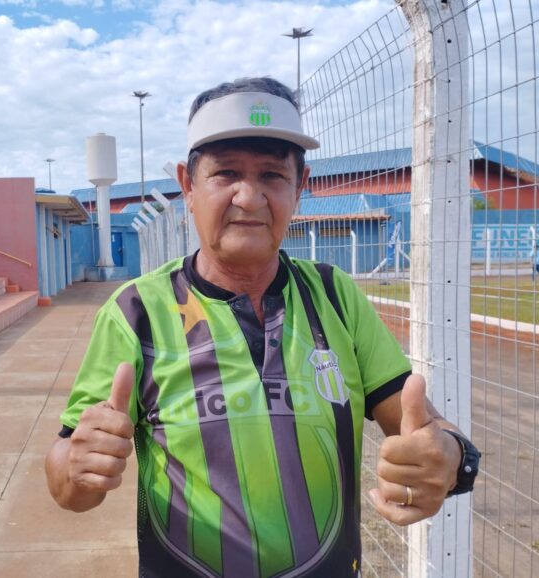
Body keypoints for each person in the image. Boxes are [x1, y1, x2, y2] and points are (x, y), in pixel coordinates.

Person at [45, 77, 481, 578]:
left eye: (272, 175)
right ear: (188, 185)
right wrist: (75, 469)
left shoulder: (335, 297)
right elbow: (68, 478)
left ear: (300, 186)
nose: (249, 198)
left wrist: (448, 458)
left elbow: (424, 426)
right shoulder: (135, 311)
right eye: (225, 173)